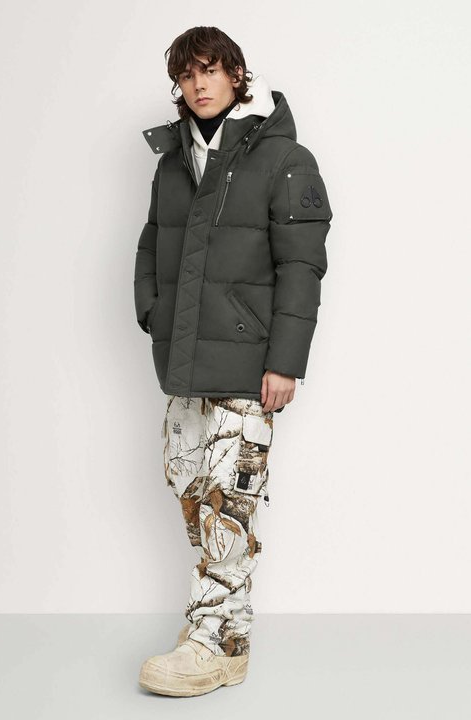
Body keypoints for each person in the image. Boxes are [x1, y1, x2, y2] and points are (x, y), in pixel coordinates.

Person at [134, 26, 333, 697]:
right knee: (194, 496)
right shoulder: (174, 162)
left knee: (229, 505)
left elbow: (302, 267)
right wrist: (153, 313)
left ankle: (210, 643)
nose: (199, 84)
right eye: (187, 74)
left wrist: (285, 362)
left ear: (237, 75)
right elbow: (152, 244)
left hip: (249, 367)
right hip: (185, 360)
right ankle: (231, 637)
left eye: (211, 70)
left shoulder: (285, 159)